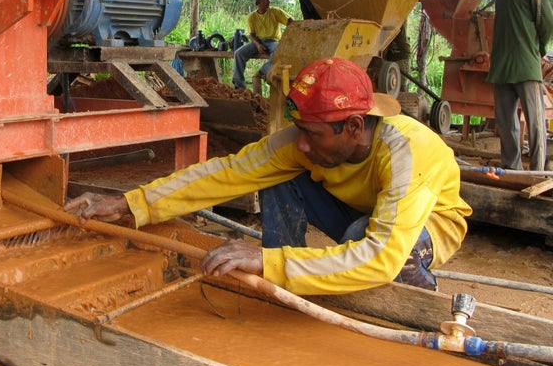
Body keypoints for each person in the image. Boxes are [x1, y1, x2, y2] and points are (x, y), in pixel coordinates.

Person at [65, 57, 471, 295]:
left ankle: (418, 290)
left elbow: (379, 255)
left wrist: (263, 259)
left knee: (364, 247)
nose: (303, 146)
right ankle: (281, 285)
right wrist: (128, 204)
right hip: (356, 208)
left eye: (312, 135)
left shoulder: (406, 154)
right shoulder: (305, 140)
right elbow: (226, 174)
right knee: (275, 175)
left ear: (352, 127)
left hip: (427, 224)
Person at [486, 0, 553, 171]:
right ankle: (512, 170)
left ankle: (538, 172)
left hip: (526, 65)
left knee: (535, 124)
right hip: (502, 67)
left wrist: (538, 49)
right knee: (505, 124)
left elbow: (546, 22)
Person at [231, 0, 293, 90]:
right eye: (266, 0)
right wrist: (258, 45)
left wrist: (286, 38)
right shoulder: (252, 17)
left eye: (269, 0)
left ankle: (262, 72)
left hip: (273, 41)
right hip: (259, 41)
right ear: (259, 1)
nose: (269, 2)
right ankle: (239, 85)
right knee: (238, 53)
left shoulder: (275, 11)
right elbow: (251, 34)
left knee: (278, 52)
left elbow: (291, 21)